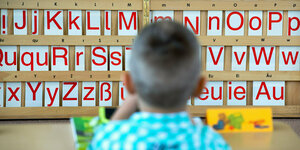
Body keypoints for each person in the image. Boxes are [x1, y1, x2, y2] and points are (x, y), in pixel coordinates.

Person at [89, 21, 231, 150]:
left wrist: (133, 95)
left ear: (128, 84)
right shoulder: (212, 142)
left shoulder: (109, 140)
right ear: (200, 87)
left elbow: (106, 133)